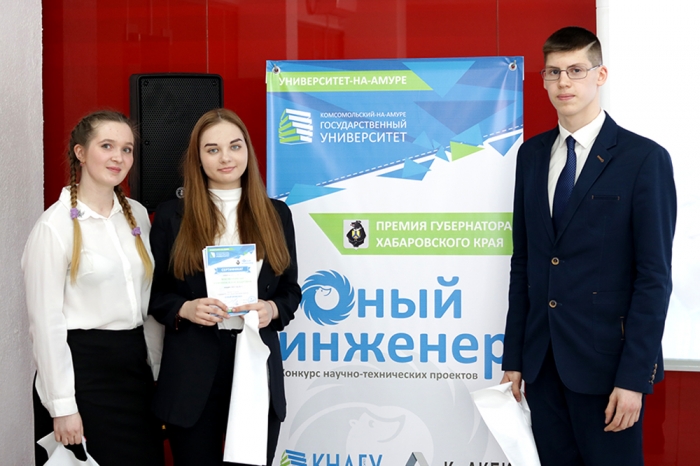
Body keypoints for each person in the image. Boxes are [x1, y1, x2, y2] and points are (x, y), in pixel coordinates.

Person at [500, 26, 676, 466]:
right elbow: (525, 262)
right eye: (554, 72)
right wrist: (514, 358)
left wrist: (633, 378)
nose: (564, 82)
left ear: (600, 75)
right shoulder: (531, 156)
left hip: (609, 372)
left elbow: (653, 279)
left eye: (576, 70)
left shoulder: (644, 159)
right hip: (542, 367)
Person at [148, 108, 301, 466]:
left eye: (234, 146)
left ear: (247, 150)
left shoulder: (276, 214)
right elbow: (154, 294)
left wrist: (271, 309)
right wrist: (185, 309)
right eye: (212, 149)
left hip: (254, 362)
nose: (225, 158)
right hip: (192, 371)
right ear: (198, 158)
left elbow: (290, 291)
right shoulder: (172, 215)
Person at [22, 110, 165, 466]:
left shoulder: (136, 214)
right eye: (107, 146)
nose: (119, 157)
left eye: (127, 149)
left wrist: (157, 371)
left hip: (134, 372)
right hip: (83, 375)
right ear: (81, 153)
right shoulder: (53, 227)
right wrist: (62, 407)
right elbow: (46, 324)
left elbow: (148, 304)